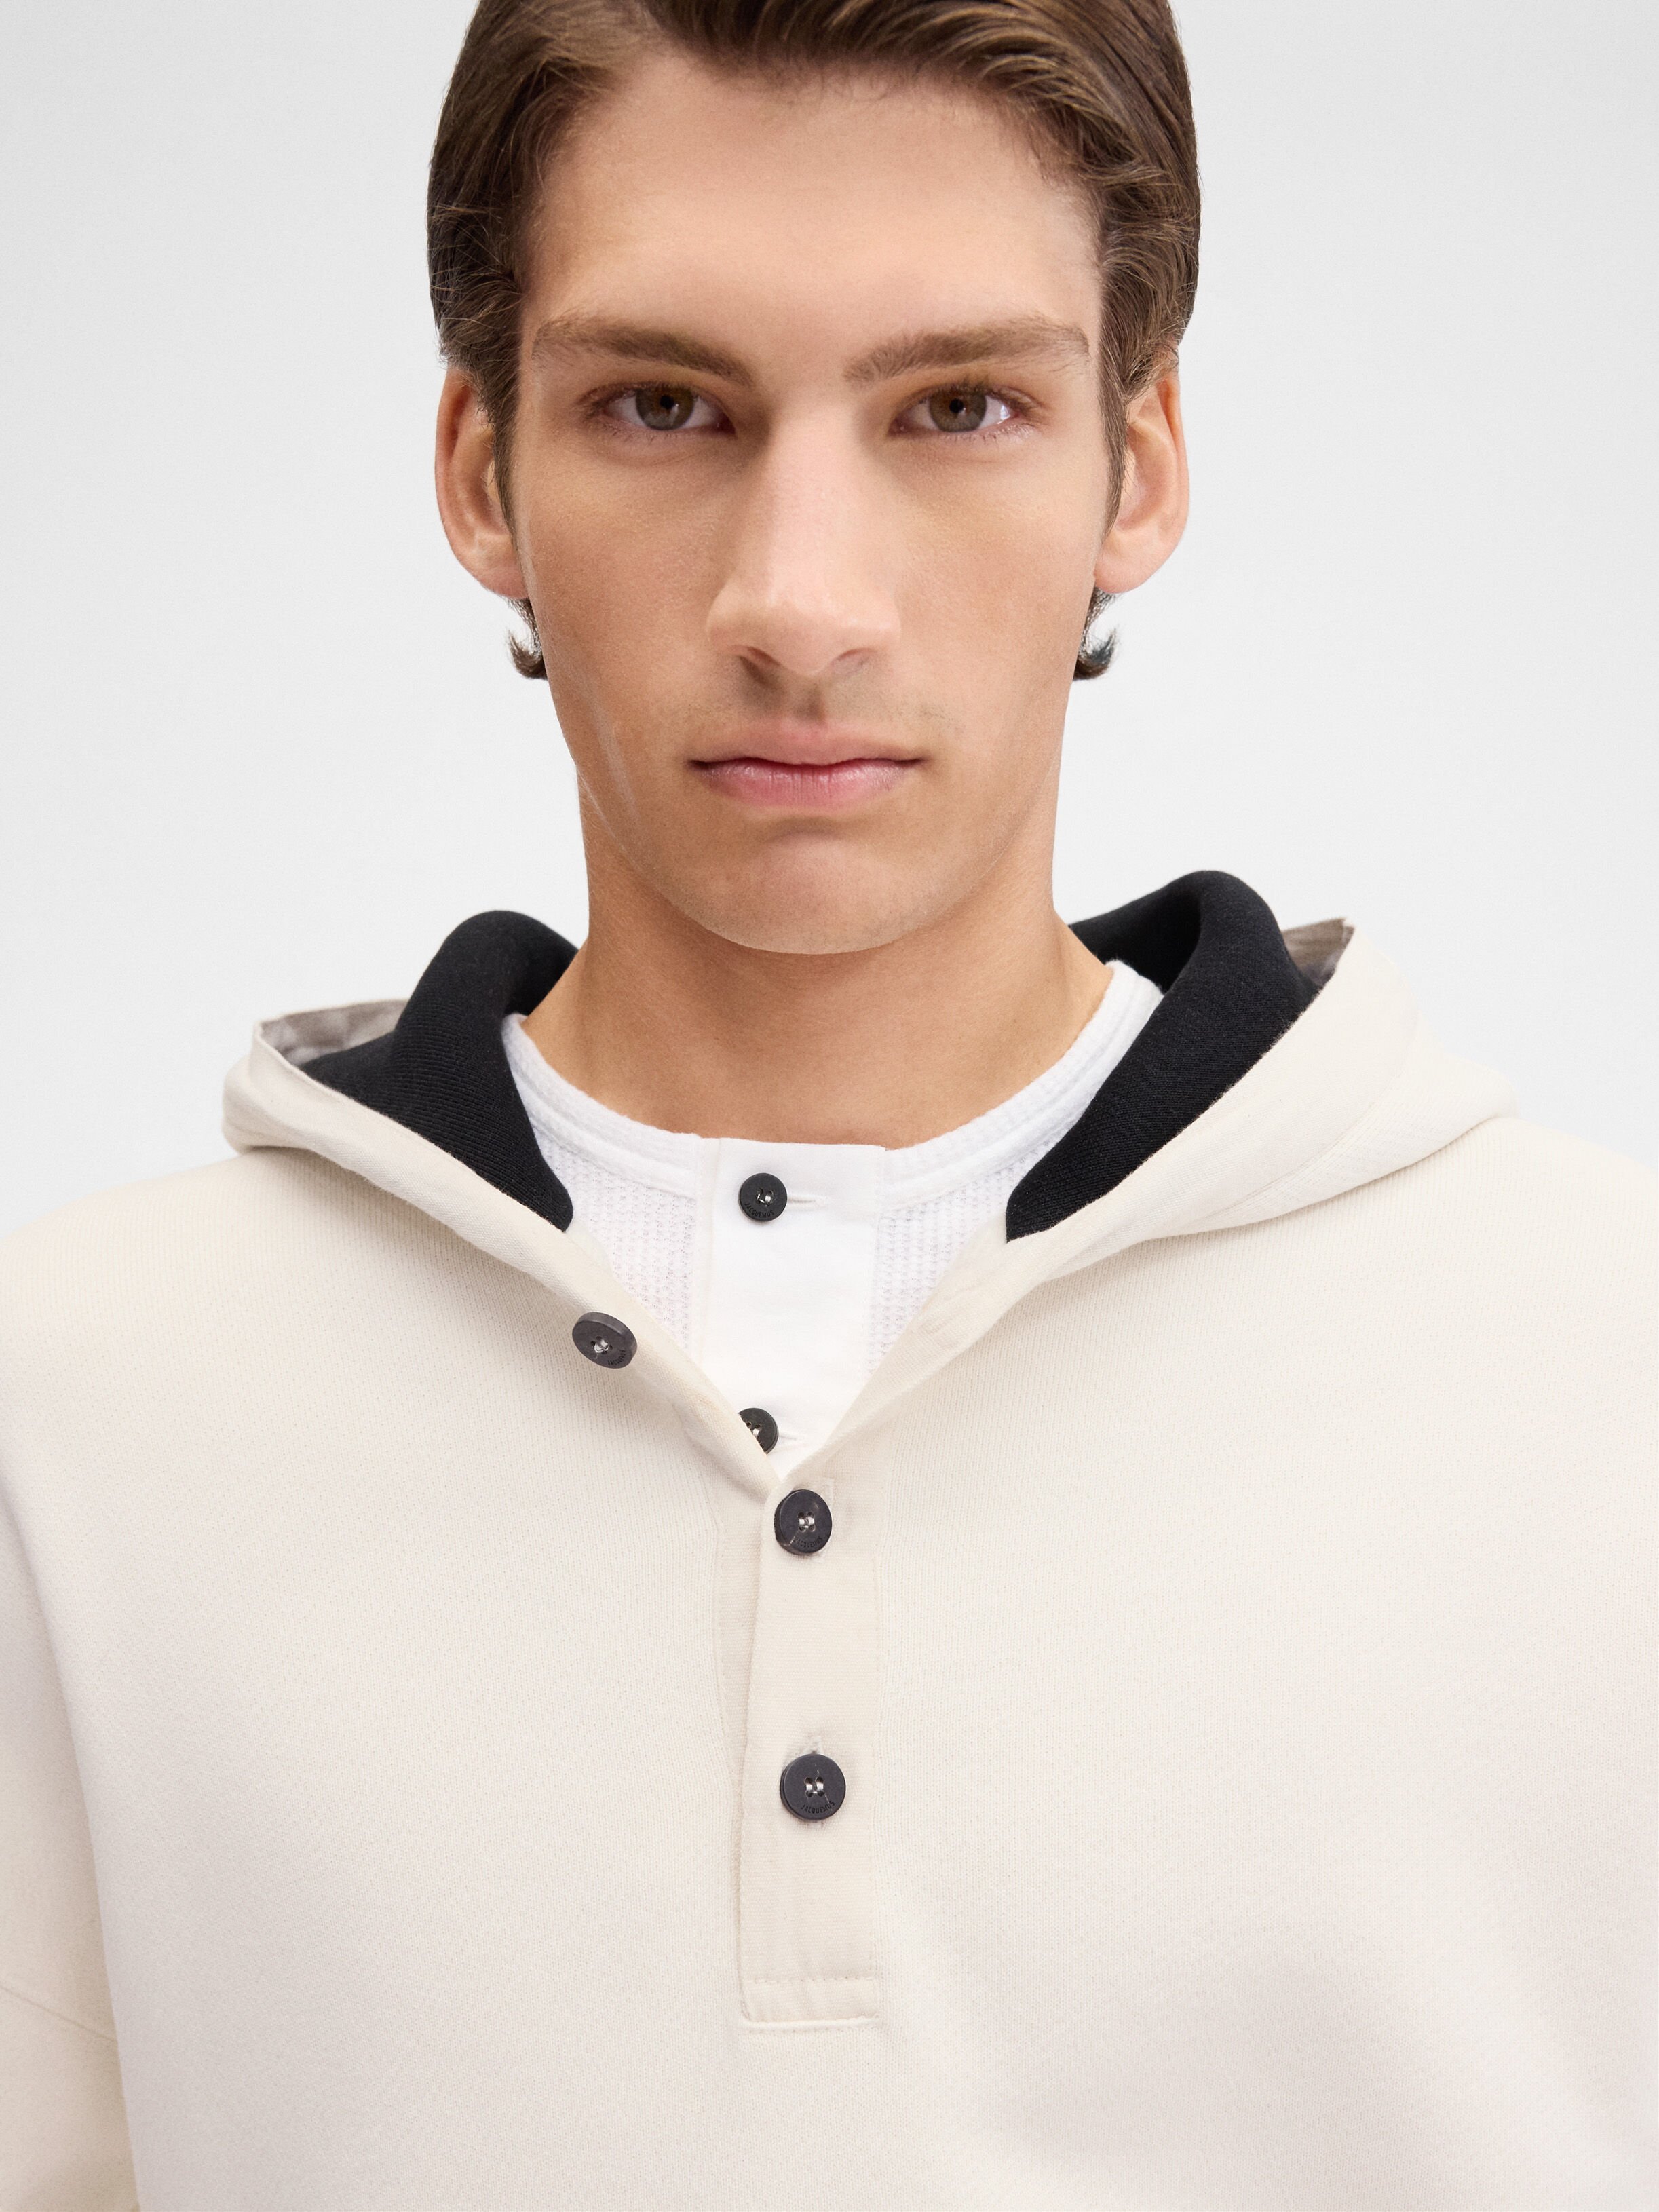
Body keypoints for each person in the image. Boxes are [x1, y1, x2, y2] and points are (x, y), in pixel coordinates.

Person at [1, 0, 1652, 2203]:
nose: (801, 603)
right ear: (483, 470)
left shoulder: (1611, 1369)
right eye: (662, 404)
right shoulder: (71, 1408)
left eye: (957, 406)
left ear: (1138, 461)